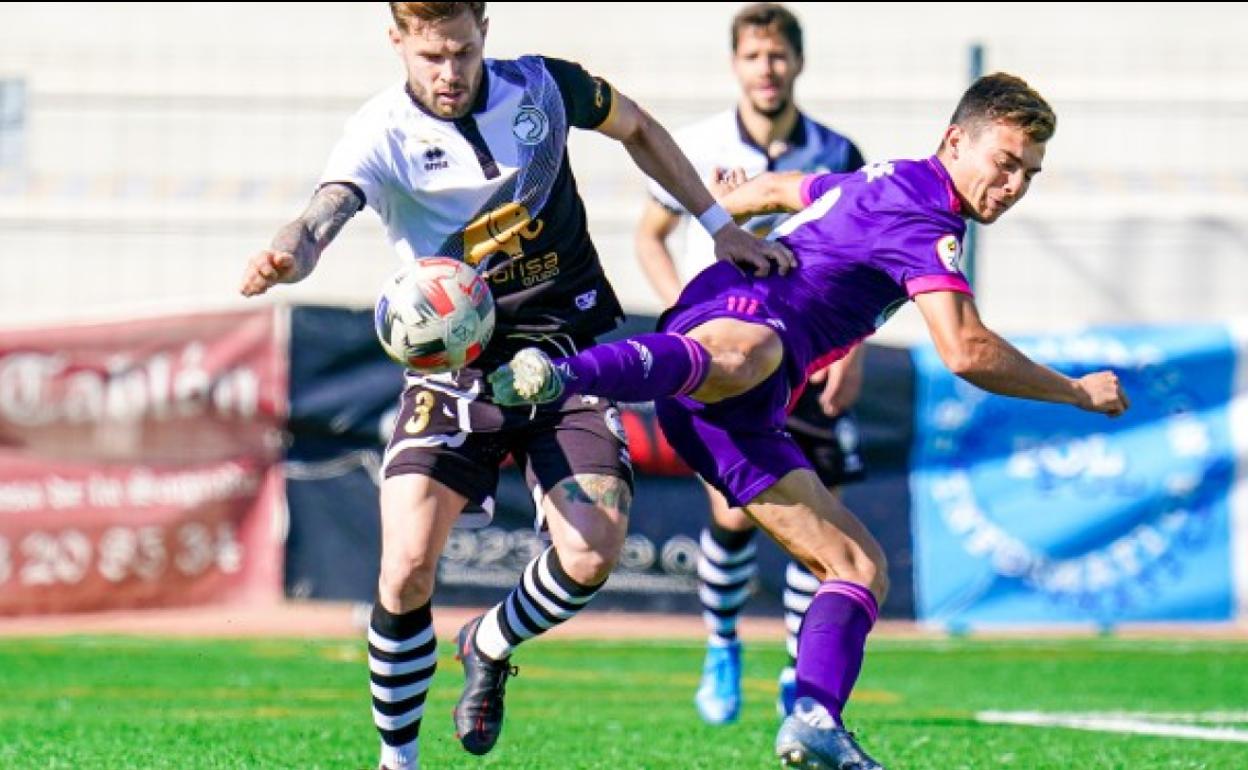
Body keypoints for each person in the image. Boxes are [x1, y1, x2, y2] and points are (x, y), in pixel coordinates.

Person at [490, 73, 1131, 769]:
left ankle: (814, 718)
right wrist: (1074, 392)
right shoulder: (926, 215)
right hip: (731, 334)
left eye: (1028, 174)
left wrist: (724, 224)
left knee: (858, 567)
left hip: (737, 409)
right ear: (955, 140)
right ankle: (558, 374)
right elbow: (966, 350)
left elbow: (771, 190)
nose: (1013, 184)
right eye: (1004, 163)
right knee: (749, 352)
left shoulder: (883, 179)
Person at [237, 3, 789, 769]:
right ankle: (398, 763)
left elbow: (638, 127)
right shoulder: (380, 132)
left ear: (484, 31)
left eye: (462, 51)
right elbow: (326, 212)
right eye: (431, 55)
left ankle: (488, 641)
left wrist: (717, 221)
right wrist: (289, 253)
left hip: (568, 354)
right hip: (455, 366)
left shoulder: (543, 89)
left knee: (593, 552)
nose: (449, 72)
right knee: (403, 568)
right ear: (396, 41)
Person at [634, 2, 868, 725]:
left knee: (816, 520)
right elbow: (652, 236)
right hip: (730, 355)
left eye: (778, 56)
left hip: (805, 351)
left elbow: (866, 260)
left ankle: (803, 671)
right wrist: (690, 325)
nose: (767, 70)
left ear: (798, 62)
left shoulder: (836, 151)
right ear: (736, 64)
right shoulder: (702, 147)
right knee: (734, 516)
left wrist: (852, 351)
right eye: (754, 57)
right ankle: (723, 642)